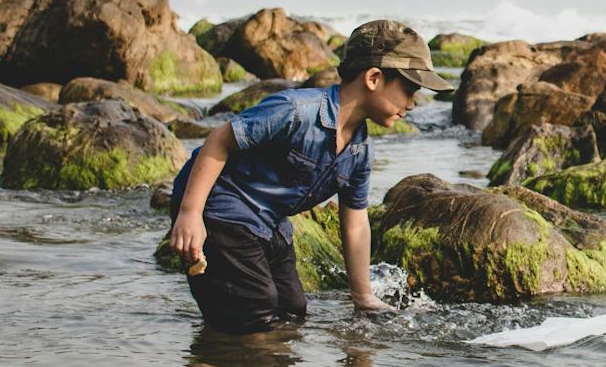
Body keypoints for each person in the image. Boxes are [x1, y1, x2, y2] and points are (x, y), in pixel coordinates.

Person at [166, 20, 455, 334]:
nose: (412, 104)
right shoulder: (295, 110)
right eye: (409, 89)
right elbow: (220, 139)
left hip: (270, 221)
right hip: (220, 207)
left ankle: (242, 363)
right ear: (373, 78)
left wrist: (363, 296)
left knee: (292, 311)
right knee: (255, 309)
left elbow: (356, 222)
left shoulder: (359, 151)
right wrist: (190, 213)